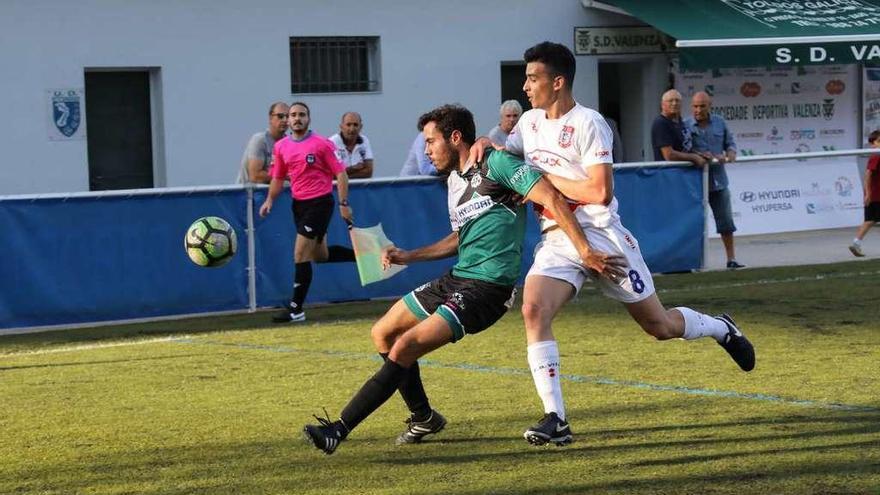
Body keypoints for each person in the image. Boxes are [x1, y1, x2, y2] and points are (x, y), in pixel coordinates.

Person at [473, 41, 755, 447]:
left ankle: (718, 327)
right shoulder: (530, 122)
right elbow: (507, 153)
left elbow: (600, 191)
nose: (526, 85)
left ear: (558, 82)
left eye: (533, 78)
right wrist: (487, 140)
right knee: (534, 309)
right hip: (557, 237)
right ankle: (557, 418)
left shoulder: (590, 123)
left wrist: (542, 183)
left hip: (602, 235)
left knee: (658, 326)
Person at [301, 104, 625, 455]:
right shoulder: (455, 181)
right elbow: (461, 238)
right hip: (458, 278)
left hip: (488, 288)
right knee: (383, 333)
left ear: (455, 137)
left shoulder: (498, 165)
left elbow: (552, 199)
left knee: (406, 345)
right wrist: (409, 255)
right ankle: (423, 416)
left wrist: (585, 250)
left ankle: (339, 428)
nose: (426, 151)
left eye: (430, 141)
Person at [259, 102, 356, 323]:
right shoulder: (281, 146)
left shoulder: (322, 144)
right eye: (292, 115)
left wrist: (343, 203)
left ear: (308, 119)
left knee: (300, 254)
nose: (296, 118)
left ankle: (296, 309)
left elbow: (341, 174)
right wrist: (269, 200)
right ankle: (363, 257)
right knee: (319, 256)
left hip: (320, 203)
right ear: (287, 120)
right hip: (299, 205)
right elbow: (277, 177)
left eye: (301, 114)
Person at [685, 91, 745, 269]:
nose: (698, 109)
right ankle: (692, 261)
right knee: (694, 224)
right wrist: (699, 155)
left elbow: (730, 142)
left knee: (726, 222)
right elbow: (684, 149)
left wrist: (731, 152)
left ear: (710, 106)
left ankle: (731, 259)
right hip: (695, 183)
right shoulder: (686, 125)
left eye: (702, 106)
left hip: (719, 182)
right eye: (695, 106)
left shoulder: (720, 122)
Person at [651, 89, 707, 166]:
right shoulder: (661, 123)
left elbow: (684, 148)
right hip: (668, 174)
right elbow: (669, 155)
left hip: (683, 173)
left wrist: (700, 155)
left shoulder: (680, 122)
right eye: (670, 101)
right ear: (662, 104)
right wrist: (694, 157)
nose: (674, 103)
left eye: (677, 100)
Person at [236, 102, 289, 184]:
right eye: (280, 116)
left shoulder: (288, 143)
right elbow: (255, 176)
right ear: (271, 118)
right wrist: (285, 177)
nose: (285, 120)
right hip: (248, 195)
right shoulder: (260, 140)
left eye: (288, 116)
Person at [849, 130, 880, 257]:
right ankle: (856, 243)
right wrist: (868, 193)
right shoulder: (876, 156)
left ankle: (856, 243)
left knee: (869, 220)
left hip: (874, 195)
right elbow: (868, 174)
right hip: (876, 196)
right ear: (873, 144)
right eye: (879, 141)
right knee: (870, 220)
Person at [329, 111, 374, 179]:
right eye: (348, 125)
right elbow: (330, 174)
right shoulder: (331, 143)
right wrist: (353, 168)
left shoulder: (364, 141)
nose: (352, 129)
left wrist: (343, 177)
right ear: (341, 126)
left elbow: (368, 172)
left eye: (355, 125)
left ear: (361, 127)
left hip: (359, 188)